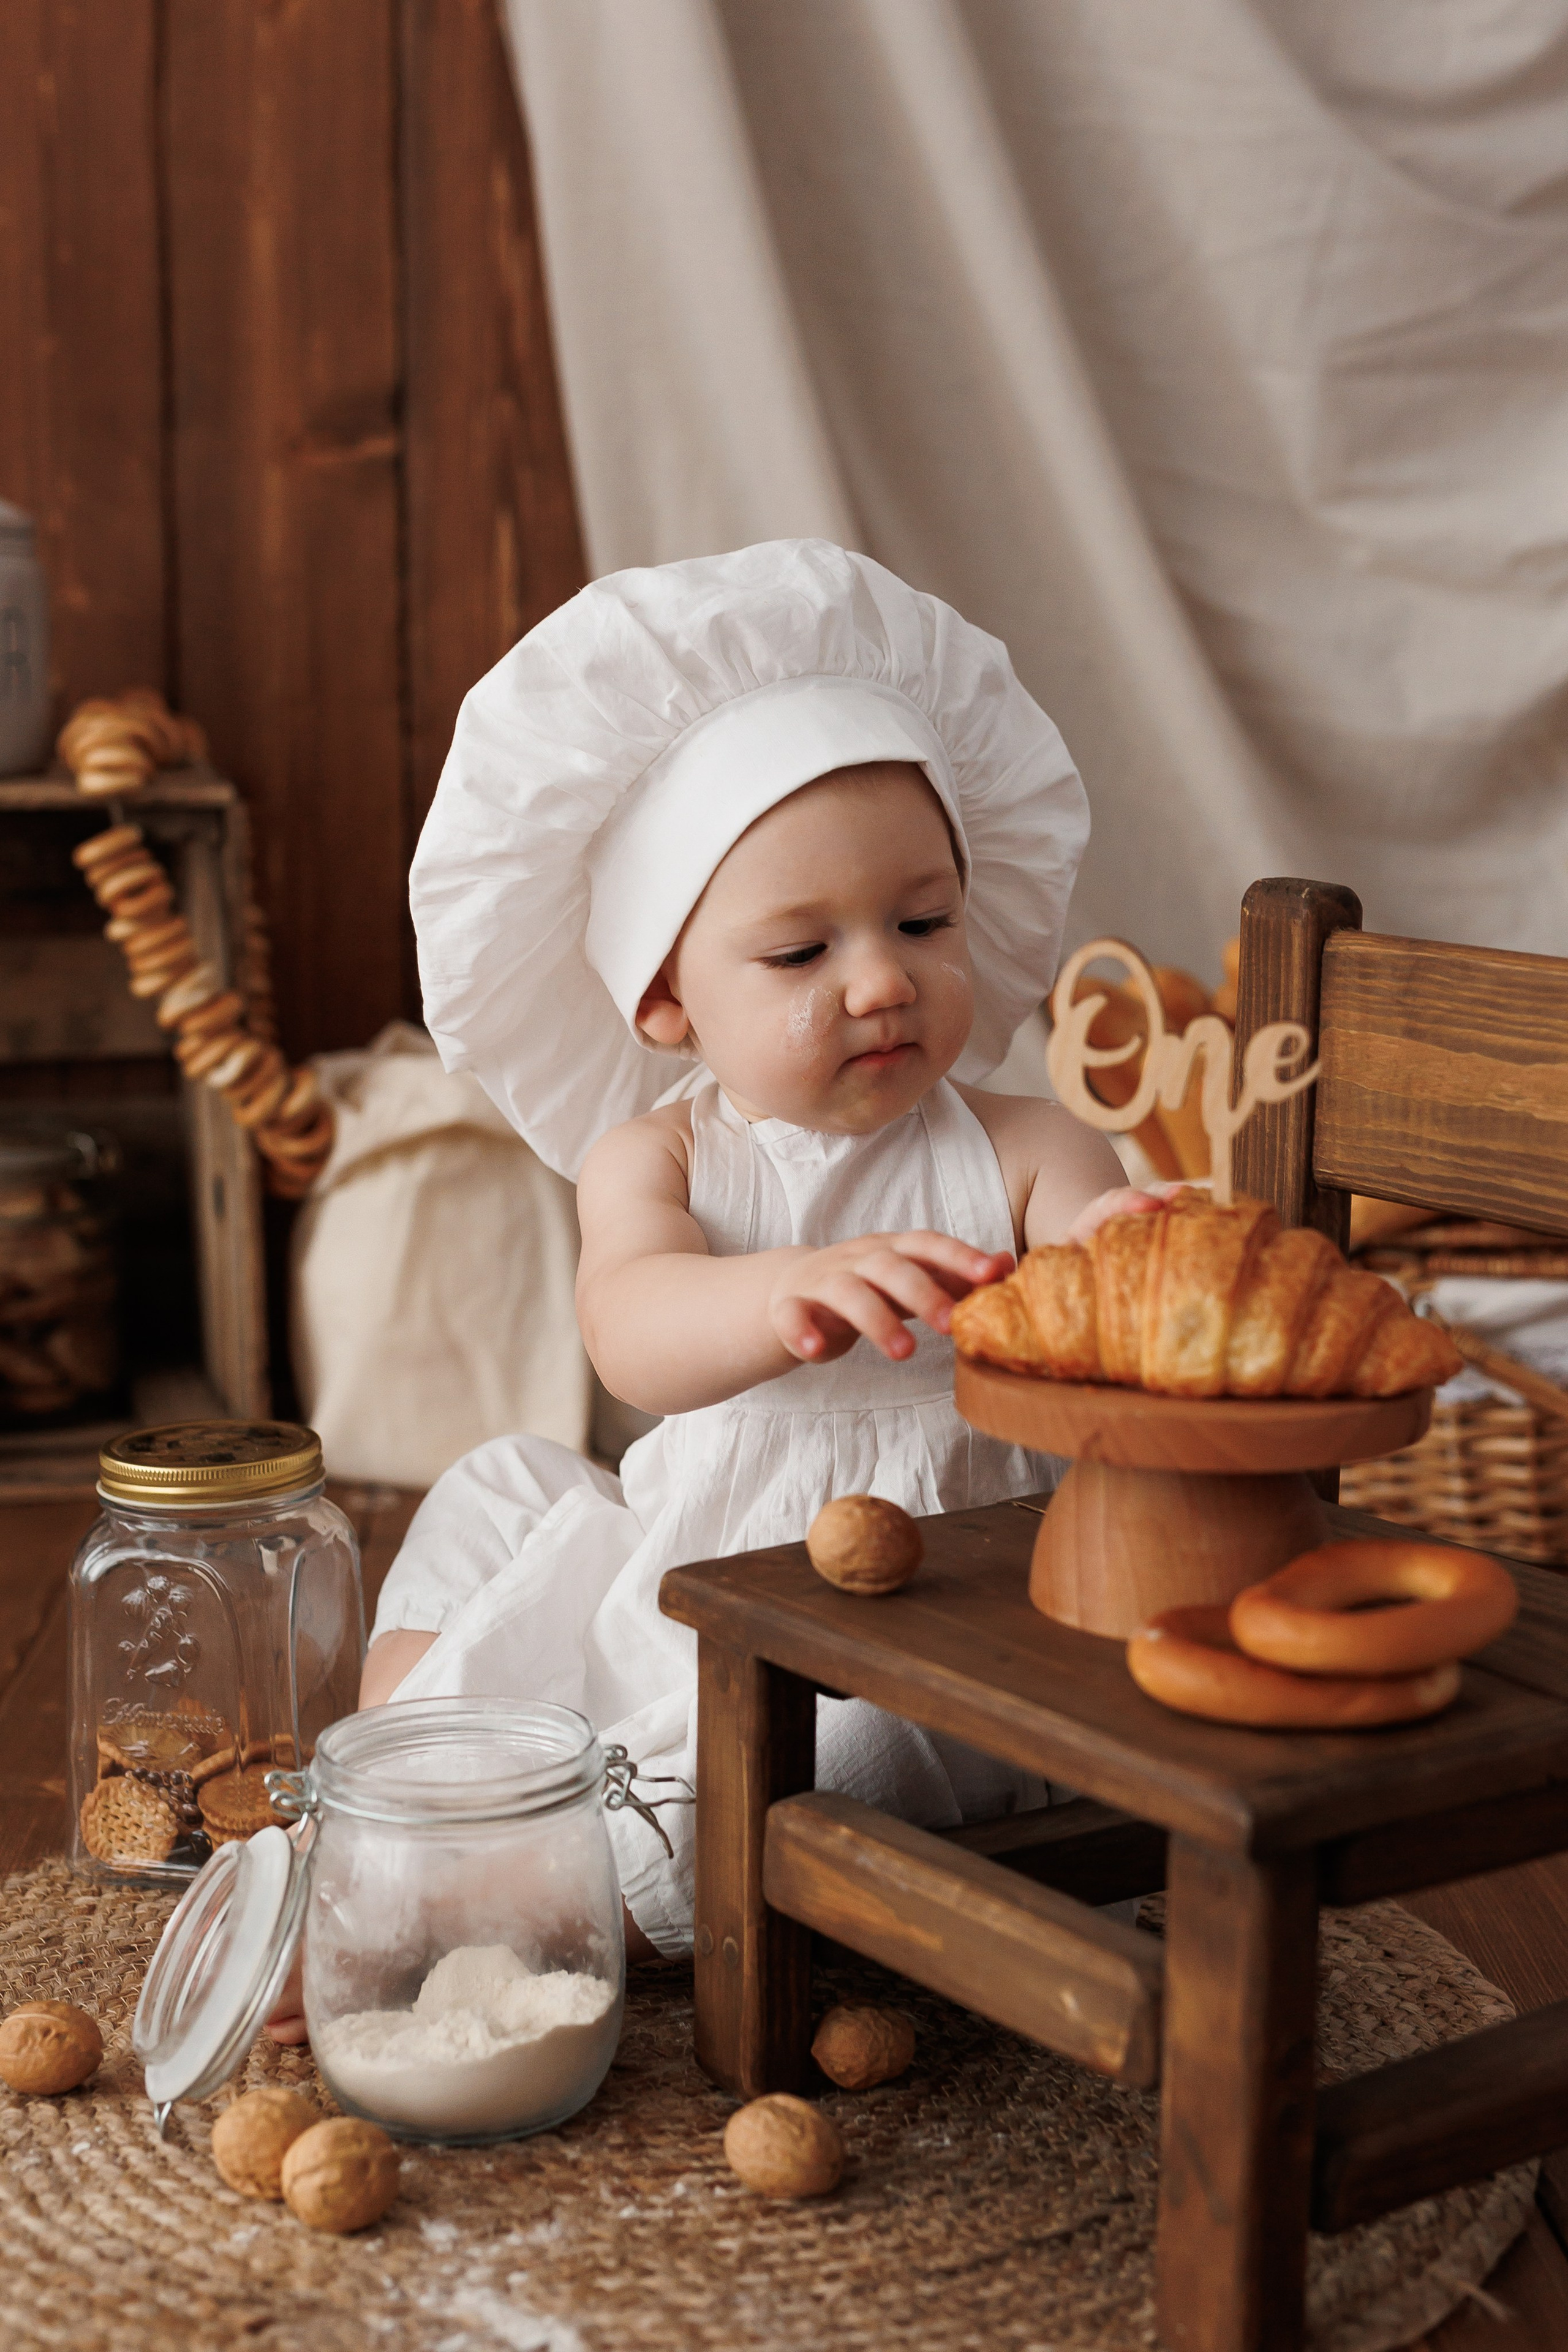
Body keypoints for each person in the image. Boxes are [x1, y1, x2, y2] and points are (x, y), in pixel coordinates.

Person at [268, 541, 1149, 2041]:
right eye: (802, 949)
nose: (879, 980)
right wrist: (783, 1291)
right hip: (700, 1564)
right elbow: (630, 1331)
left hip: (945, 1619)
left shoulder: (1016, 1145)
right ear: (667, 1000)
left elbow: (1112, 1274)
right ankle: (410, 1769)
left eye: (922, 925)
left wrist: (1155, 1237)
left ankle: (525, 1898)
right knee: (495, 1493)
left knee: (845, 1749)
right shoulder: (654, 1157)